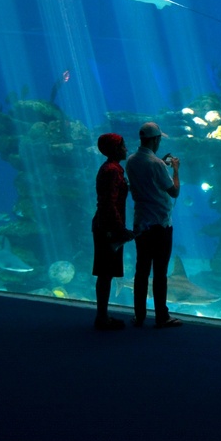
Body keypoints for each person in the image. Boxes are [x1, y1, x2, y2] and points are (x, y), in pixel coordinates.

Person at [125, 121, 182, 328]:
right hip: (160, 224)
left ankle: (139, 315)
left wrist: (162, 164)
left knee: (141, 272)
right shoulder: (157, 164)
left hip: (141, 223)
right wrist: (175, 170)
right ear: (155, 139)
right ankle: (161, 316)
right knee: (160, 273)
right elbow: (174, 191)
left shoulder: (130, 161)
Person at [91, 133, 135, 331]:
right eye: (123, 146)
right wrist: (119, 229)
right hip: (107, 228)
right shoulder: (112, 170)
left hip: (106, 225)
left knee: (106, 273)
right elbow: (108, 203)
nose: (126, 149)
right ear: (115, 148)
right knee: (106, 273)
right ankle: (102, 318)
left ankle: (103, 315)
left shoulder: (113, 168)